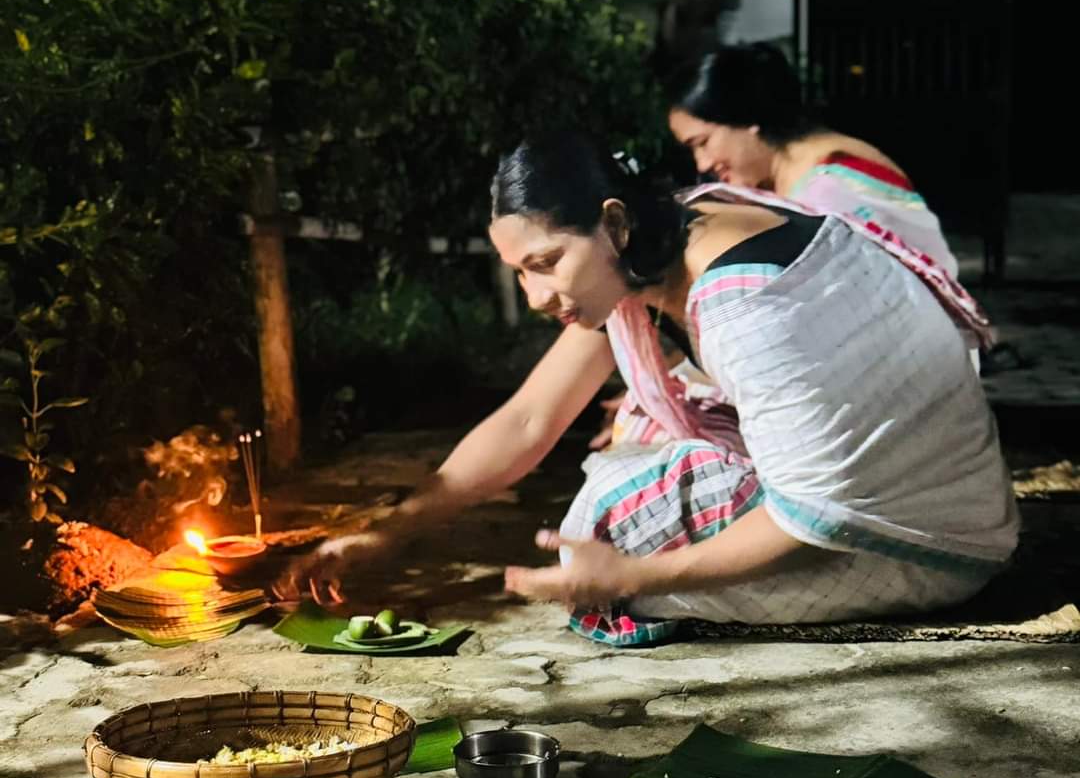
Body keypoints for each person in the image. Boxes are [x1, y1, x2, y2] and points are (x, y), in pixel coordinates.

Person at [275, 134, 1017, 645]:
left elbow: (811, 513)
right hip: (945, 500)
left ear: (614, 223)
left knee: (600, 542)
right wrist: (387, 532)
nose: (536, 296)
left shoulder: (745, 305)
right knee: (621, 477)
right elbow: (531, 417)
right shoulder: (677, 233)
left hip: (928, 543)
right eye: (520, 274)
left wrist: (633, 574)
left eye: (545, 262)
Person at [667, 44, 959, 275]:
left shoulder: (829, 189)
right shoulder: (809, 172)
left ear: (743, 118)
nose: (702, 164)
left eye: (703, 143)